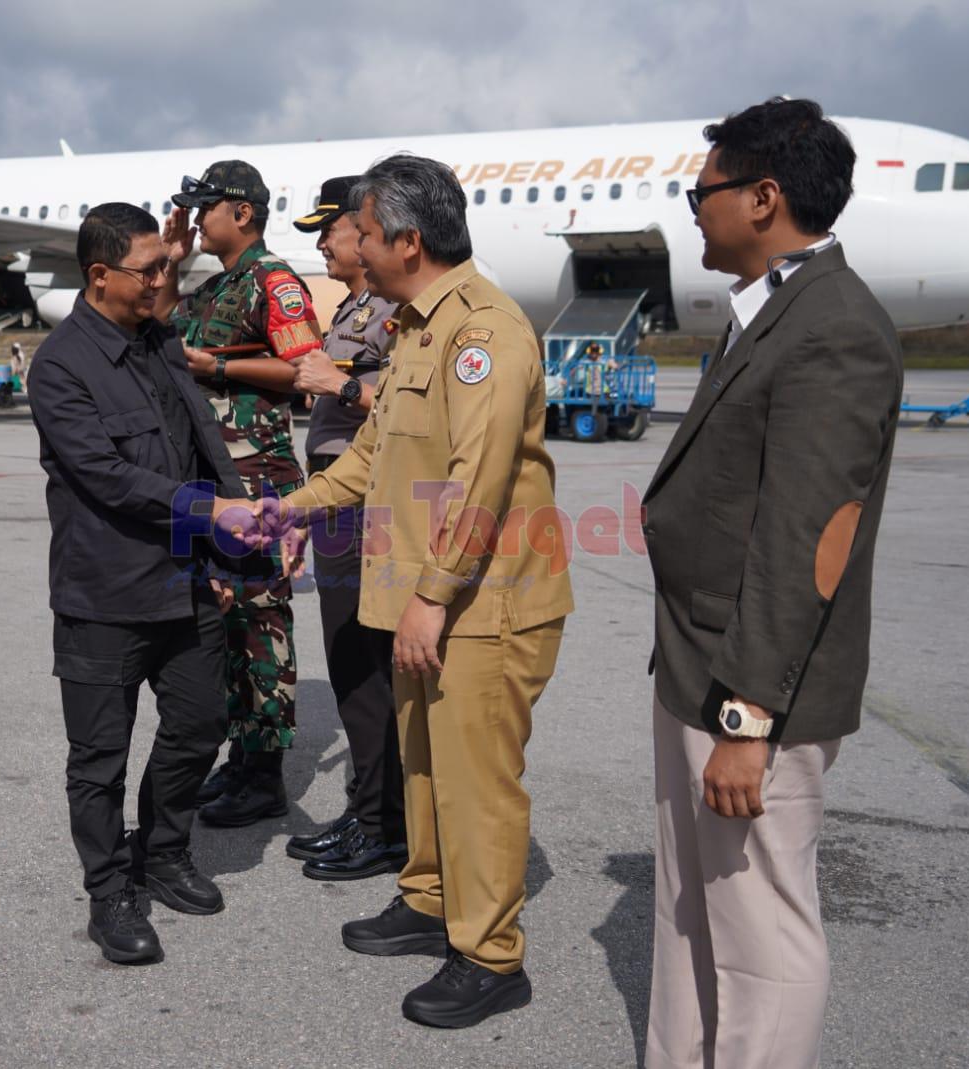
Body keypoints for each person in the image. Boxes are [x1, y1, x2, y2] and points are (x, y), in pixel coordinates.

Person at [277, 154, 574, 1028]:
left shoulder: (485, 331)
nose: (354, 246)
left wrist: (433, 597)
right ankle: (430, 896)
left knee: (476, 780)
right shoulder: (415, 327)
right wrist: (284, 511)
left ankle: (490, 955)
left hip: (483, 604)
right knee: (423, 762)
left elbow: (479, 477)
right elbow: (370, 460)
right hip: (429, 601)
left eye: (365, 232)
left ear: (408, 241)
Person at [643, 98, 903, 1069]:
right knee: (689, 911)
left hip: (750, 687)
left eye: (701, 193)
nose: (694, 211)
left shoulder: (834, 326)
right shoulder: (772, 308)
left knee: (762, 936)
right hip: (697, 662)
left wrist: (747, 720)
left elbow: (806, 541)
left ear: (762, 198)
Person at [29, 203, 268, 965]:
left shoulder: (159, 338)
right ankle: (109, 893)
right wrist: (210, 512)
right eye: (151, 269)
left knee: (201, 723)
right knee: (99, 758)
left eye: (168, 265)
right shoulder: (60, 364)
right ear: (100, 274)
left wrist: (224, 554)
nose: (164, 280)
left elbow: (201, 448)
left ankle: (162, 851)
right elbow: (104, 474)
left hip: (185, 579)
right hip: (104, 593)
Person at [157, 159, 324, 827]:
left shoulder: (272, 282)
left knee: (259, 622)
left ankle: (265, 774)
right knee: (222, 622)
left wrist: (219, 367)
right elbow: (162, 334)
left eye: (207, 208)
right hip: (213, 479)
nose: (198, 218)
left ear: (243, 212)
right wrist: (172, 262)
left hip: (259, 481)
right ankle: (240, 756)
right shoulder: (216, 283)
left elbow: (306, 369)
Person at [284, 175, 406, 880]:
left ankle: (385, 823)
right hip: (336, 497)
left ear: (363, 232)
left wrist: (341, 385)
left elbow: (410, 396)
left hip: (367, 502)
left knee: (365, 664)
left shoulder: (395, 308)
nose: (324, 245)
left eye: (329, 231)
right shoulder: (355, 306)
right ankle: (370, 806)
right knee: (351, 661)